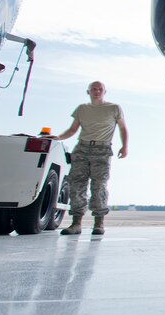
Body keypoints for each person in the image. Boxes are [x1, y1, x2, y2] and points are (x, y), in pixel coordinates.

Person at [51, 81, 128, 236]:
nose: (97, 91)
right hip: (82, 148)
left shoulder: (114, 108)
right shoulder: (82, 108)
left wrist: (124, 146)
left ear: (105, 91)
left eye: (100, 89)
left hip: (102, 149)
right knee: (77, 184)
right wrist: (59, 137)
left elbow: (122, 128)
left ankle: (99, 223)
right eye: (94, 89)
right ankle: (76, 224)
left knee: (99, 186)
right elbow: (73, 129)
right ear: (88, 92)